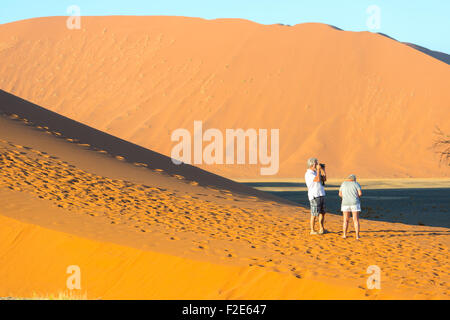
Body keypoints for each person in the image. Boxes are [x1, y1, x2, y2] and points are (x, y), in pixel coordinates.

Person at [305, 157, 327, 235]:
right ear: (313, 164)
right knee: (314, 214)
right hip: (314, 195)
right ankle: (312, 230)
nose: (318, 164)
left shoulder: (315, 172)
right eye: (316, 163)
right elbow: (317, 179)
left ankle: (321, 228)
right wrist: (318, 170)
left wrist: (323, 170)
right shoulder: (309, 174)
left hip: (321, 194)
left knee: (322, 212)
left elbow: (324, 179)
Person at [339, 174, 362, 239]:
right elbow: (360, 193)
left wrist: (346, 197)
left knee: (345, 220)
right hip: (354, 203)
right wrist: (355, 197)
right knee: (356, 220)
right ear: (354, 179)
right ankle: (357, 236)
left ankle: (344, 235)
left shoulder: (343, 184)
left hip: (345, 203)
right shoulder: (356, 184)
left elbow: (340, 194)